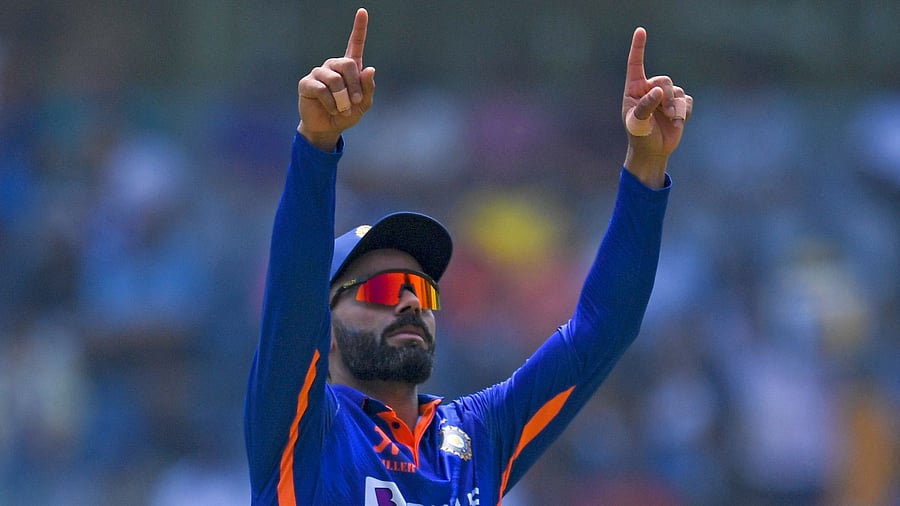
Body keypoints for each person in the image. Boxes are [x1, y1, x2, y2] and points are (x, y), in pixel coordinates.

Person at [244, 7, 692, 505]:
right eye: (384, 288)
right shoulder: (304, 431)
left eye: (421, 289)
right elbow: (293, 296)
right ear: (322, 328)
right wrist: (317, 144)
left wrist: (646, 166)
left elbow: (603, 329)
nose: (411, 303)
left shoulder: (480, 434)